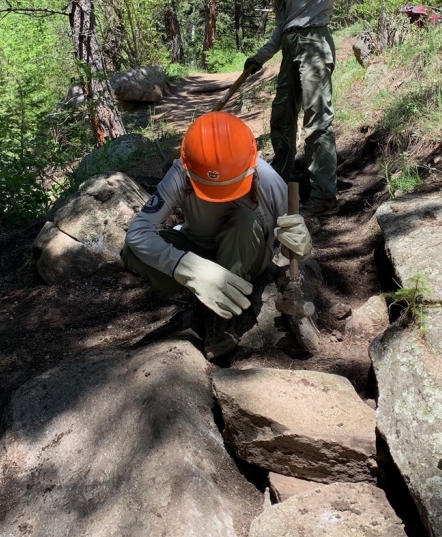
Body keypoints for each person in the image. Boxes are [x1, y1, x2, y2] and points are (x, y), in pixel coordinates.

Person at [122, 111, 312, 360]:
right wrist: (189, 269)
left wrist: (301, 243)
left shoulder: (267, 178)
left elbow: (293, 246)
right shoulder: (180, 173)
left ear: (251, 164)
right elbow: (138, 234)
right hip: (197, 248)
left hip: (246, 253)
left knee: (244, 219)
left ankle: (218, 318)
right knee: (131, 253)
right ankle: (203, 288)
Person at [244, 0, 366, 217]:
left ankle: (325, 194)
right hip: (290, 47)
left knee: (317, 123)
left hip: (315, 43)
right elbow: (281, 25)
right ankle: (278, 188)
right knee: (281, 120)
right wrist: (260, 56)